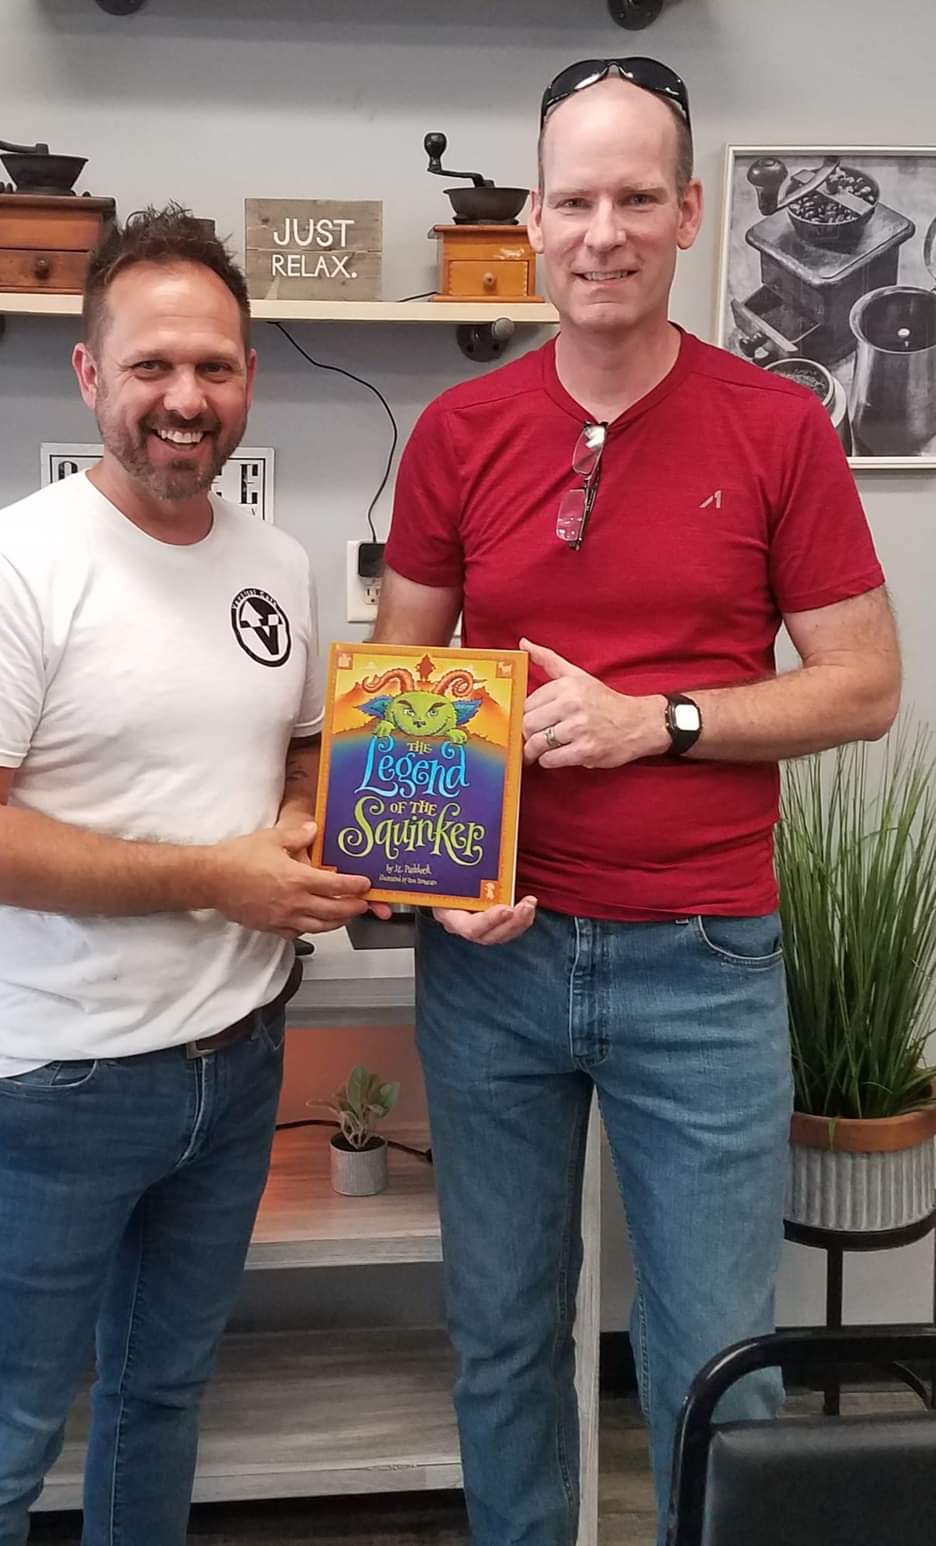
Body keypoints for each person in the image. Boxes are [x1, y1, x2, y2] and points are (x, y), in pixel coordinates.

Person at [373, 58, 900, 1546]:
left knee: (719, 1362)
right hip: (496, 966)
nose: (601, 231)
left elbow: (863, 686)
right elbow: (401, 693)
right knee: (501, 1335)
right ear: (534, 219)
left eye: (634, 198)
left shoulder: (779, 427)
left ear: (688, 214)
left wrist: (654, 721)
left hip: (706, 962)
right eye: (574, 200)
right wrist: (435, 879)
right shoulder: (459, 433)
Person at [0, 205, 371, 1546]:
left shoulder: (274, 562)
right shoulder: (2, 568)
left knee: (161, 1402)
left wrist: (299, 818)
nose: (184, 398)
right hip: (63, 1084)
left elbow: (298, 744)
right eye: (151, 365)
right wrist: (219, 877)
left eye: (213, 366)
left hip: (238, 1064)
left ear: (250, 377)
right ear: (89, 372)